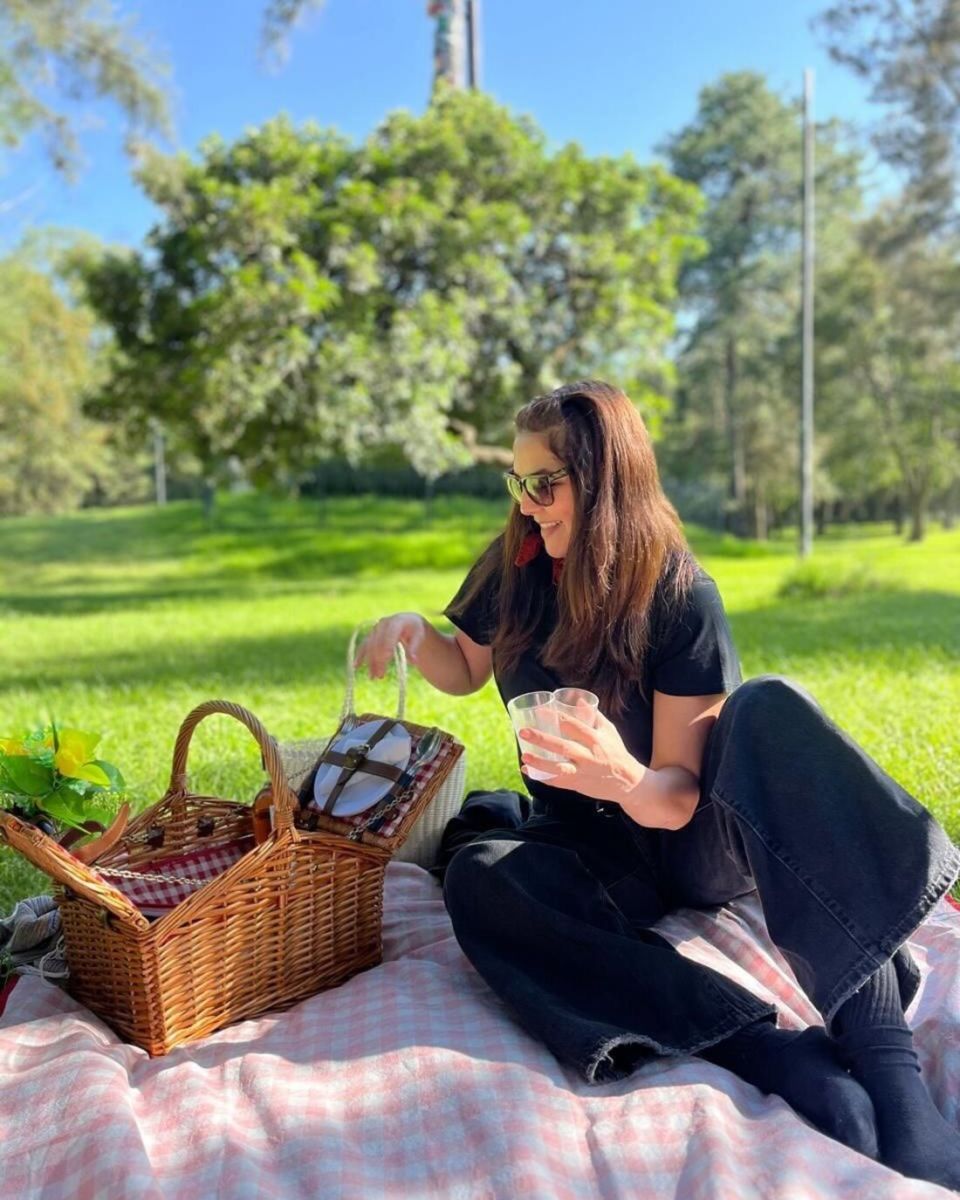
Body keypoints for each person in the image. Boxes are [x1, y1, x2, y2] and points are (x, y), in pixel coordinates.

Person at [355, 379, 960, 1190]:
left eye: (545, 483)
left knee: (768, 707)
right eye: (518, 481)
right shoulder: (517, 562)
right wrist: (413, 634)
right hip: (588, 847)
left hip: (691, 841)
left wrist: (621, 774)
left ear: (604, 480)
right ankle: (768, 1051)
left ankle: (889, 1068)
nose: (527, 504)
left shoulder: (679, 596)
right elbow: (465, 666)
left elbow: (679, 794)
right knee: (481, 873)